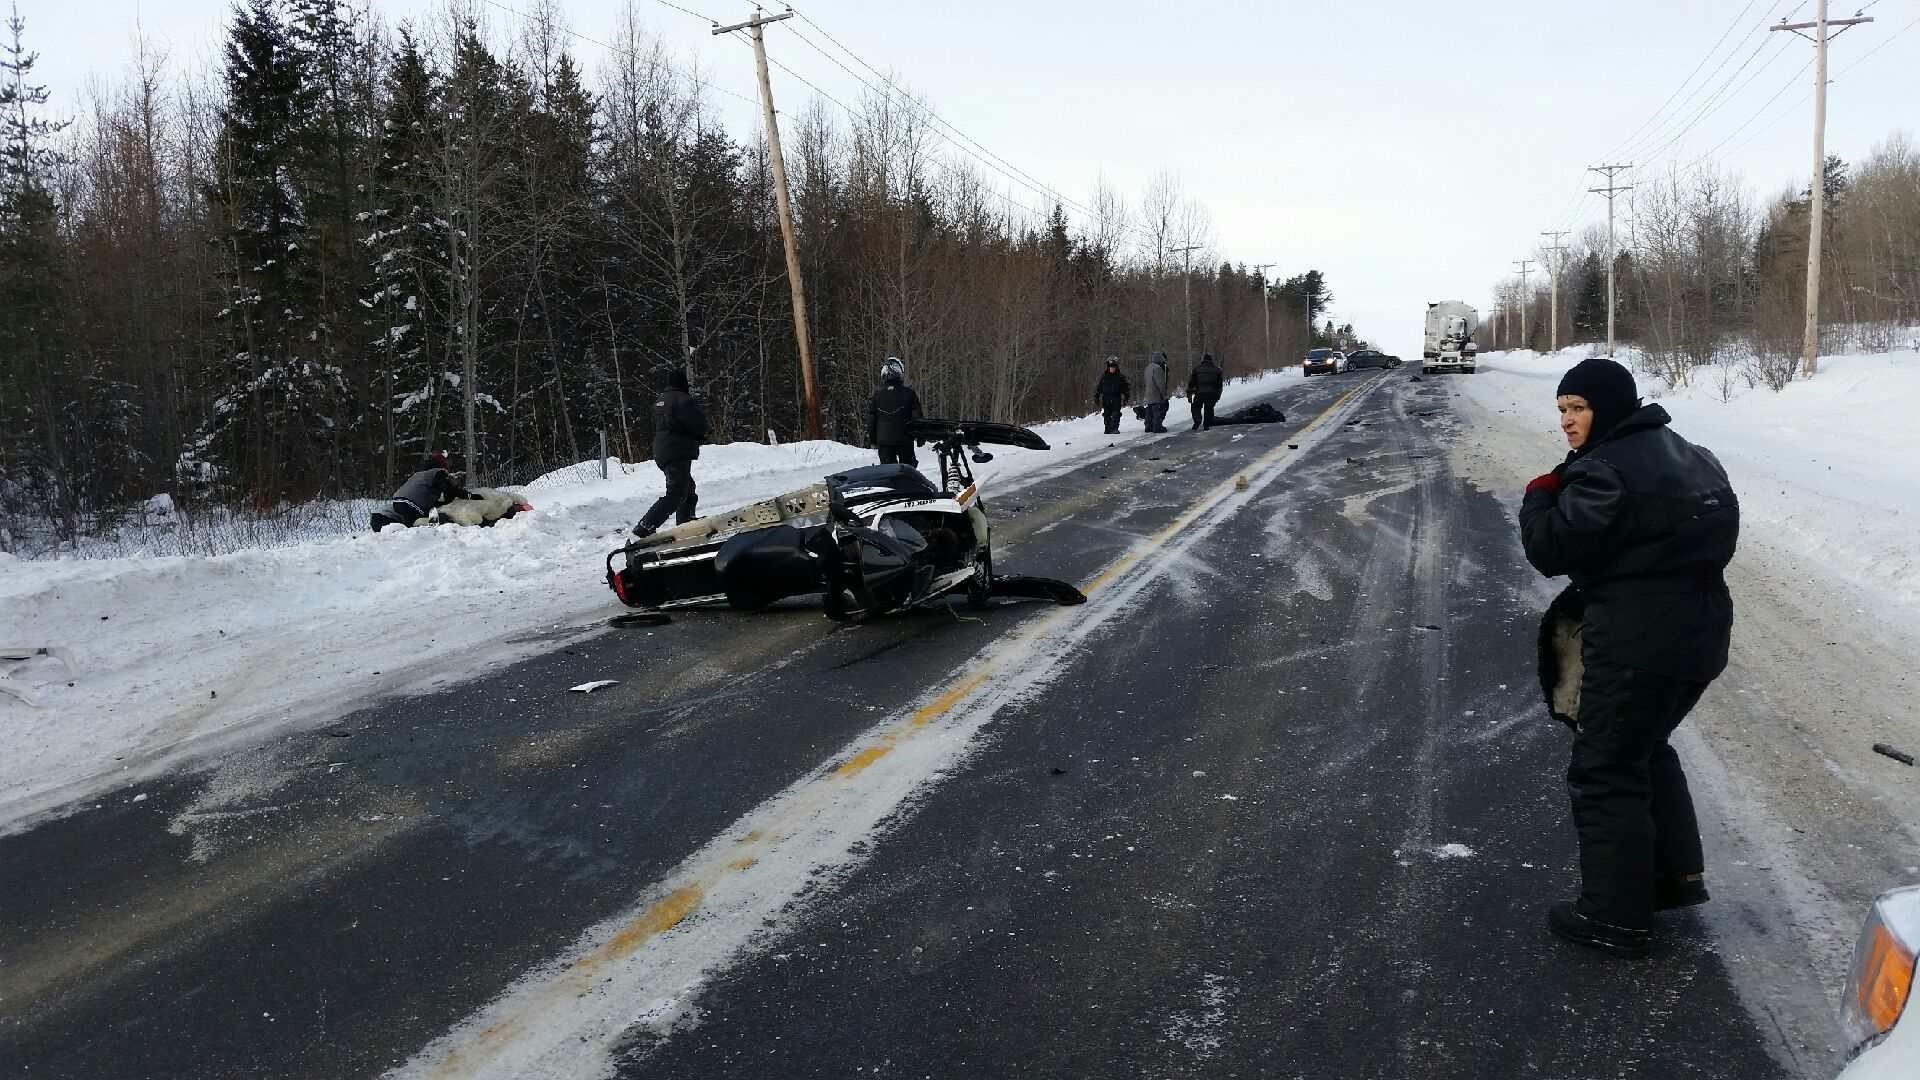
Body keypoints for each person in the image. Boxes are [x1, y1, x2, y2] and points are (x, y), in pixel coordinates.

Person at [1519, 357, 1740, 957]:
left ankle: (1615, 916)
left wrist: (1541, 495)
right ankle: (1672, 878)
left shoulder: (1604, 471)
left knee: (1607, 768)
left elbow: (1550, 547)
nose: (1567, 421)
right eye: (1562, 410)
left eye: (1579, 408)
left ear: (1609, 407)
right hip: (1700, 633)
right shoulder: (1692, 453)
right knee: (1645, 746)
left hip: (1638, 640)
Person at [631, 367, 708, 538]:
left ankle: (686, 521)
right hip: (677, 451)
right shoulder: (683, 400)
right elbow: (698, 424)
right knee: (676, 492)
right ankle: (646, 525)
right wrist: (701, 434)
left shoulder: (661, 400)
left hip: (662, 450)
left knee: (687, 486)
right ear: (683, 383)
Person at [376, 451, 470, 529]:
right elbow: (446, 489)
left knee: (416, 522)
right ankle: (435, 524)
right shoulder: (437, 473)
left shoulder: (420, 475)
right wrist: (463, 494)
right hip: (403, 508)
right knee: (416, 524)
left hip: (397, 502)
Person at [867, 356, 924, 467]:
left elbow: (871, 421)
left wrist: (873, 440)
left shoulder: (877, 396)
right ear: (899, 372)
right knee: (908, 470)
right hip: (905, 439)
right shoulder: (909, 393)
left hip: (884, 441)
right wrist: (920, 438)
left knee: (888, 472)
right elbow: (917, 417)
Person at [1094, 357, 1131, 435]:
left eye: (1113, 367)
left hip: (1116, 398)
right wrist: (1096, 397)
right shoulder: (1104, 376)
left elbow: (1125, 388)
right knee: (1106, 414)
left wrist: (1126, 398)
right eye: (1111, 367)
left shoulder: (1120, 377)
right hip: (1106, 398)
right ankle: (1107, 428)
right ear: (1108, 367)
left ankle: (1114, 428)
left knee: (1116, 413)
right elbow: (1099, 387)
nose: (1112, 369)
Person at [1187, 353, 1224, 430]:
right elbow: (1219, 385)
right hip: (1211, 393)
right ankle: (1206, 424)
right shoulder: (1217, 370)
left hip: (1199, 393)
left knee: (1196, 407)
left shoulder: (1197, 369)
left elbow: (1191, 383)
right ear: (1211, 360)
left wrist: (1189, 394)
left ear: (1203, 360)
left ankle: (1197, 420)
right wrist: (1218, 395)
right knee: (1209, 409)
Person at [1141, 352, 1171, 433]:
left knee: (1149, 410)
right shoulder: (1158, 368)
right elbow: (1160, 383)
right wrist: (1164, 394)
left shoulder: (1148, 368)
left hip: (1148, 392)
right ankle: (1157, 427)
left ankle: (1148, 426)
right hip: (1156, 393)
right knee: (1158, 410)